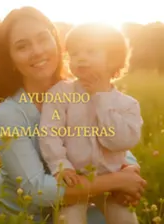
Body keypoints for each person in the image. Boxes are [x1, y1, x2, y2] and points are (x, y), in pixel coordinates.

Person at [0, 7, 145, 221]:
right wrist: (117, 181)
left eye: (43, 39)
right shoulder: (9, 114)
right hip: (25, 215)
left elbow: (110, 142)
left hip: (80, 200)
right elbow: (37, 190)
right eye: (22, 46)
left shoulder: (83, 89)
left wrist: (130, 169)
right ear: (10, 59)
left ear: (56, 41)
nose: (37, 51)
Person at [39, 22, 142, 224]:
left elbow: (120, 142)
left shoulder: (128, 105)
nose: (81, 58)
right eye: (74, 53)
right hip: (75, 179)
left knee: (126, 219)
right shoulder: (60, 93)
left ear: (113, 59)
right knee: (69, 220)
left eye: (90, 51)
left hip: (112, 184)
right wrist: (60, 166)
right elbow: (49, 133)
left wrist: (101, 98)